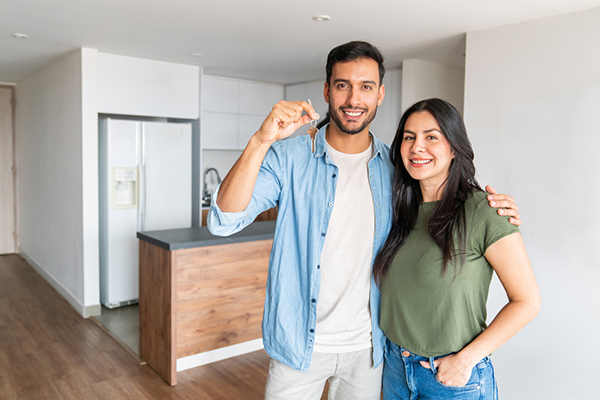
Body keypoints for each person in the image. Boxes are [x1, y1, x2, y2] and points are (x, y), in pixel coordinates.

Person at [207, 41, 521, 400]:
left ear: (380, 94)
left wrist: (493, 205)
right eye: (342, 85)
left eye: (366, 87)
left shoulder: (398, 169)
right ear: (327, 90)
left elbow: (446, 197)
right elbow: (223, 220)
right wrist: (260, 140)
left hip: (370, 351)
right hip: (298, 346)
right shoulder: (289, 157)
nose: (353, 98)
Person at [373, 98, 541, 399]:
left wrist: (466, 359)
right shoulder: (398, 210)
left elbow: (527, 301)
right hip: (395, 368)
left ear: (454, 148)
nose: (416, 147)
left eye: (432, 137)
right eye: (409, 137)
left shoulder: (483, 211)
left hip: (452, 380)